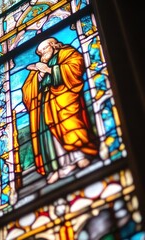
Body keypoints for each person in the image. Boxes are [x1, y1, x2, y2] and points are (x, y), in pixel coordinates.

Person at [22, 37, 98, 184]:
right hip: (46, 102)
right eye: (39, 52)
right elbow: (28, 91)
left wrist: (50, 70)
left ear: (53, 46)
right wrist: (40, 74)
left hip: (64, 97)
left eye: (44, 49)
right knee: (49, 134)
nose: (41, 53)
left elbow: (76, 67)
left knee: (70, 124)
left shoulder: (67, 53)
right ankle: (60, 166)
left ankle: (79, 156)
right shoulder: (40, 64)